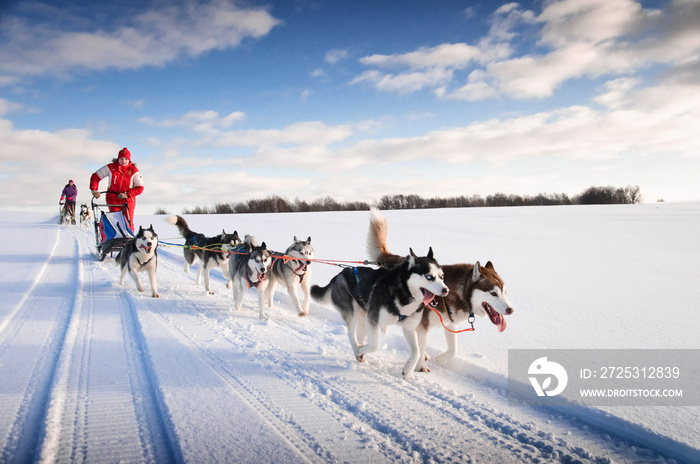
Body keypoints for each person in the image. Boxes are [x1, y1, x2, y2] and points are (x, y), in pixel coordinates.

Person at [89, 147, 144, 229]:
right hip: (113, 200)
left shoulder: (134, 171)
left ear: (129, 160)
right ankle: (116, 240)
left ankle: (129, 241)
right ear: (118, 159)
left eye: (126, 159)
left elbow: (140, 188)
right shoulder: (111, 167)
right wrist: (94, 190)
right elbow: (95, 177)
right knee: (116, 223)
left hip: (128, 201)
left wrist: (127, 194)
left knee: (128, 223)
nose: (123, 161)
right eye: (121, 158)